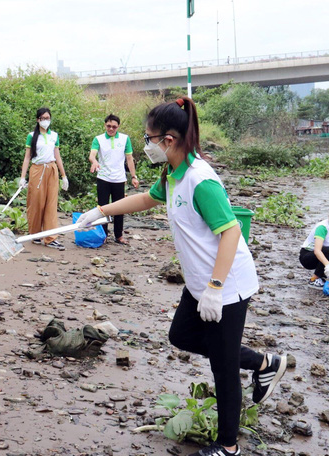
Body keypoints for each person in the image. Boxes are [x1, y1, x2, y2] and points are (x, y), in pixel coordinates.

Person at [77, 97, 287, 456]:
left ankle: (228, 447)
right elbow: (146, 200)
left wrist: (216, 288)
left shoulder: (200, 180)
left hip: (226, 284)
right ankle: (264, 363)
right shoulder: (173, 173)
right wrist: (99, 210)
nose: (145, 146)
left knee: (222, 366)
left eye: (149, 139)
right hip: (199, 281)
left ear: (169, 141)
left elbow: (232, 232)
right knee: (182, 334)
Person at [19, 107, 69, 250]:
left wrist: (64, 176)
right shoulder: (31, 136)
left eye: (47, 118)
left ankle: (51, 238)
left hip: (51, 169)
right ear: (37, 120)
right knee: (36, 203)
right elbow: (27, 157)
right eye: (42, 118)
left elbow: (57, 155)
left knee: (51, 204)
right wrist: (23, 177)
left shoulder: (54, 135)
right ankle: (35, 234)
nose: (45, 121)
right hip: (37, 170)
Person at [88, 114, 139, 244]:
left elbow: (129, 158)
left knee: (120, 208)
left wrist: (133, 176)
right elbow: (92, 154)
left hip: (119, 178)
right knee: (102, 208)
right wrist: (94, 161)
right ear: (105, 125)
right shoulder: (98, 139)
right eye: (109, 126)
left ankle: (118, 235)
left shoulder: (124, 139)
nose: (111, 129)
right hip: (103, 178)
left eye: (114, 127)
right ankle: (103, 234)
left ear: (118, 127)